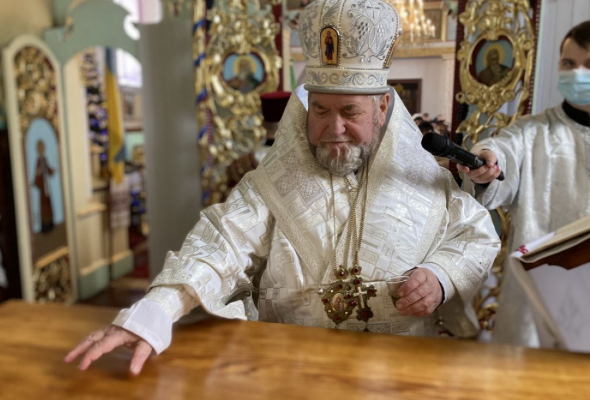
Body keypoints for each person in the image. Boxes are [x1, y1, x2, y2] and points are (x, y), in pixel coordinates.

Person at [66, 0, 500, 375]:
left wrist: (441, 276)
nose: (333, 128)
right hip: (291, 366)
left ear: (382, 106)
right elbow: (220, 245)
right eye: (321, 110)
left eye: (350, 111)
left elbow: (477, 234)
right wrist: (154, 312)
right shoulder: (268, 185)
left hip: (399, 370)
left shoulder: (427, 179)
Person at [458, 20, 590, 347]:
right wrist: (487, 159)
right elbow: (502, 151)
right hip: (539, 301)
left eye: (588, 64)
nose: (577, 74)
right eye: (568, 63)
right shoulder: (532, 132)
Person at [33, 140, 55, 233]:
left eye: (42, 147)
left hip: (46, 185)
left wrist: (51, 171)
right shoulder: (38, 160)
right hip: (42, 187)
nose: (41, 149)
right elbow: (37, 174)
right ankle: (45, 226)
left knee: (48, 203)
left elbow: (48, 169)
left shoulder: (44, 159)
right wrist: (38, 174)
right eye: (40, 148)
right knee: (43, 205)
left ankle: (50, 223)